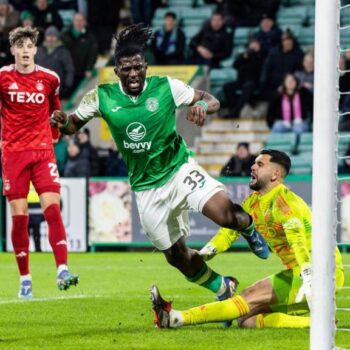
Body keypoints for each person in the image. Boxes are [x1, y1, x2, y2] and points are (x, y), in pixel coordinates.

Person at [50, 24, 269, 301]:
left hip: (179, 169)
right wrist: (63, 121)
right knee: (176, 256)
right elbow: (72, 126)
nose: (133, 74)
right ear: (116, 71)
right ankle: (222, 287)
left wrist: (200, 106)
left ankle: (248, 228)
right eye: (126, 69)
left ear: (146, 67)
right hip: (145, 188)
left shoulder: (166, 87)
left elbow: (210, 99)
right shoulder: (101, 96)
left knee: (225, 214)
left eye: (138, 67)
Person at [151, 149, 344, 329]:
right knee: (247, 318)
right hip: (300, 273)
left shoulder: (284, 202)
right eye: (254, 163)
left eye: (260, 164)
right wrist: (209, 250)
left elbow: (297, 240)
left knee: (248, 296)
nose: (252, 167)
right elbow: (229, 231)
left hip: (319, 271)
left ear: (275, 174)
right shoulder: (253, 202)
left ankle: (176, 318)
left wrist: (309, 275)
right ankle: (317, 323)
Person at [0, 26, 78, 299]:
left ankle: (62, 270)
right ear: (12, 50)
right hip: (14, 154)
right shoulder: (2, 77)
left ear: (35, 49)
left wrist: (56, 134)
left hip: (43, 152)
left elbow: (56, 110)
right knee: (19, 217)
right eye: (19, 45)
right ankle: (25, 279)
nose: (24, 50)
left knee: (52, 209)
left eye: (28, 45)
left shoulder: (49, 78)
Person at [222, 37, 264, 118]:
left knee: (247, 87)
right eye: (252, 44)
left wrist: (253, 55)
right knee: (227, 86)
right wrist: (243, 57)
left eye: (256, 44)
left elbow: (260, 66)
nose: (253, 46)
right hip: (241, 80)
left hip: (254, 81)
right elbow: (235, 65)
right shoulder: (244, 55)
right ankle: (232, 110)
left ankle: (236, 112)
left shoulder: (262, 55)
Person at [61, 12, 99, 92]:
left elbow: (93, 55)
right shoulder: (64, 35)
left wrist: (89, 68)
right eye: (77, 20)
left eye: (81, 21)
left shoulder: (90, 37)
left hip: (82, 73)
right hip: (66, 73)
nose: (79, 23)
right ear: (73, 22)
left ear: (85, 22)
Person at [35, 25, 75, 99]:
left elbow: (69, 69)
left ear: (57, 37)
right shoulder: (38, 50)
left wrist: (67, 85)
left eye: (53, 36)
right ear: (45, 37)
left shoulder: (63, 52)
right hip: (39, 90)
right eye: (49, 35)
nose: (51, 38)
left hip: (57, 90)